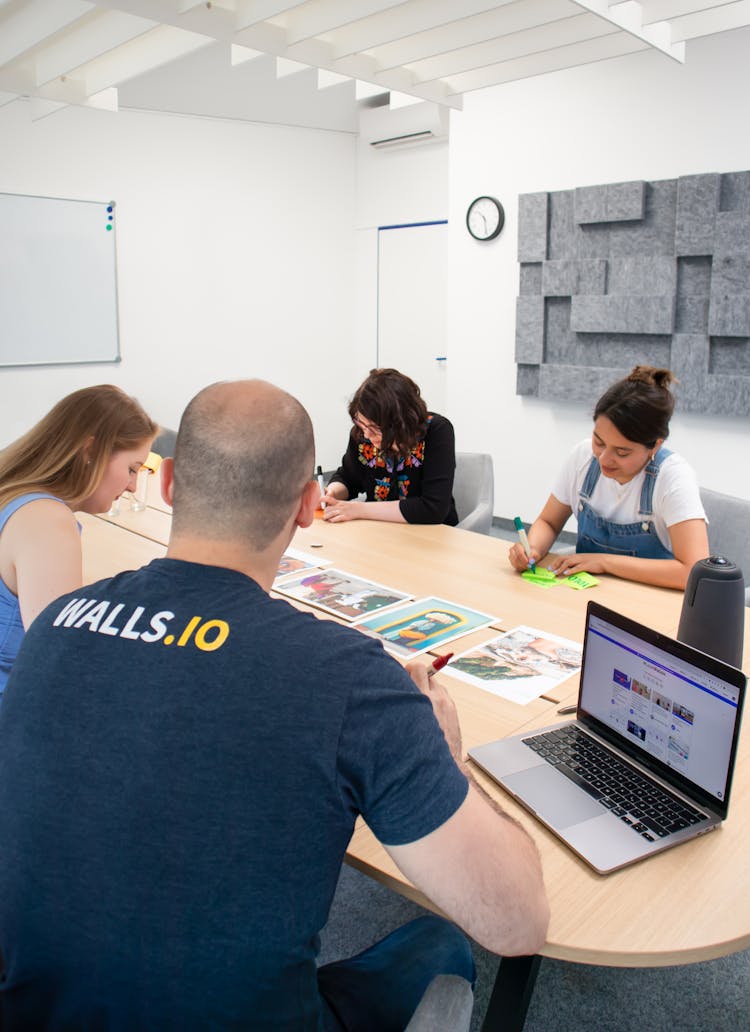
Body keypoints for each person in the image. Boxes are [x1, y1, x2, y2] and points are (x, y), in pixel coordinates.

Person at [0, 380, 549, 1031]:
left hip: (37, 1012)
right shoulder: (350, 679)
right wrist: (448, 756)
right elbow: (518, 923)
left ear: (169, 483)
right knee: (443, 943)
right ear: (311, 505)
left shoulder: (54, 628)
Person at [0, 384, 157, 696]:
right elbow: (60, 661)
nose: (132, 487)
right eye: (131, 469)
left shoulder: (17, 497)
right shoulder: (46, 521)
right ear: (90, 451)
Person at [508, 366, 708, 590]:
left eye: (622, 452)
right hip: (587, 596)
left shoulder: (673, 478)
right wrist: (532, 548)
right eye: (599, 442)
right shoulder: (582, 458)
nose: (604, 459)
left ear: (656, 445)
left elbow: (693, 571)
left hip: (652, 603)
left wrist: (604, 562)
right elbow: (549, 522)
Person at [323, 367, 458, 525]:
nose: (366, 435)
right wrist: (332, 492)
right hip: (380, 530)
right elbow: (349, 477)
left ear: (399, 423)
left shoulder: (437, 430)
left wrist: (359, 509)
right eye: (362, 425)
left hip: (431, 533)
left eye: (374, 428)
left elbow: (432, 508)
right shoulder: (362, 433)